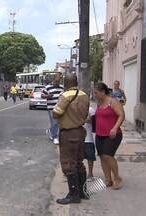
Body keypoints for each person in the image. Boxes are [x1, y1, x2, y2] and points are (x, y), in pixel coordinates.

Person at [53, 74, 90, 204]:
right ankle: (83, 192)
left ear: (65, 83)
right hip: (80, 131)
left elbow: (56, 113)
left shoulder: (65, 96)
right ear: (76, 82)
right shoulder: (84, 95)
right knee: (79, 162)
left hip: (69, 133)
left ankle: (73, 195)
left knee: (69, 164)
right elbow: (86, 113)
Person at [94, 82, 125, 190]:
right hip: (99, 134)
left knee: (108, 155)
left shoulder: (113, 102)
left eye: (96, 93)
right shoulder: (99, 103)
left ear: (103, 92)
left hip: (113, 134)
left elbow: (121, 115)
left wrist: (115, 128)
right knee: (102, 156)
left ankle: (117, 178)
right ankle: (108, 179)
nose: (95, 95)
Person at [44, 73, 64, 145]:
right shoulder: (48, 87)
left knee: (57, 123)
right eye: (57, 80)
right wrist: (48, 96)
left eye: (59, 80)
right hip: (51, 108)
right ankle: (55, 137)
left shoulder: (62, 87)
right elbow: (42, 95)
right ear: (54, 79)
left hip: (60, 108)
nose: (58, 81)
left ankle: (50, 131)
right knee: (54, 122)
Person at [83, 107, 96, 178]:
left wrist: (89, 120)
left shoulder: (90, 109)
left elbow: (95, 122)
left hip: (88, 138)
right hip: (78, 137)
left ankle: (90, 173)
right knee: (76, 157)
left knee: (90, 157)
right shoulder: (74, 107)